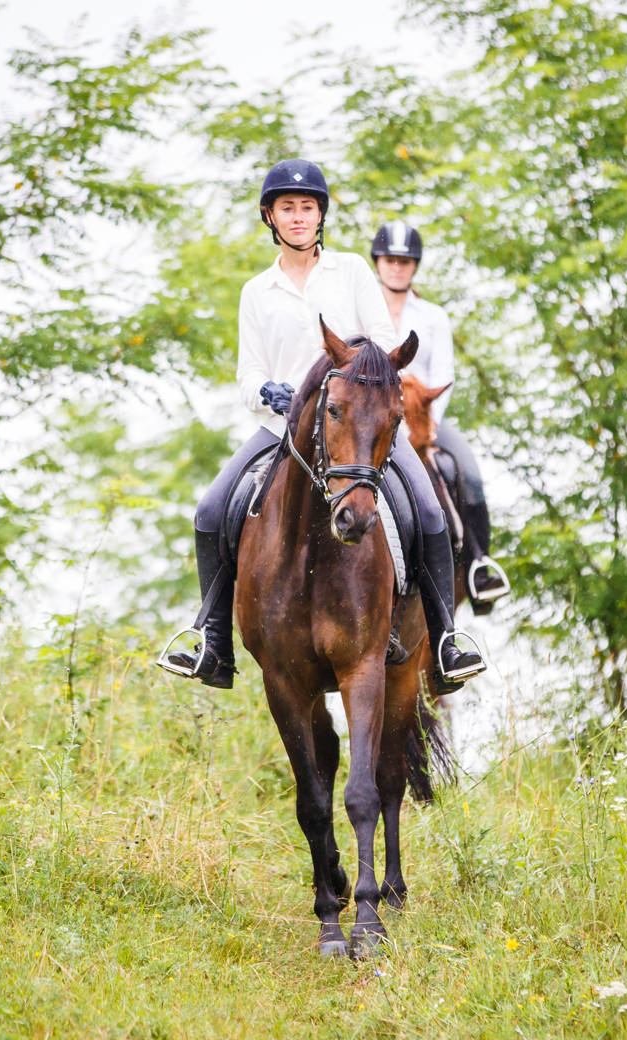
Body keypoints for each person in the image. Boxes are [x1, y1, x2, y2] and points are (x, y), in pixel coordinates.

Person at [157, 159, 486, 693]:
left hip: (355, 425)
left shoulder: (353, 270)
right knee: (211, 508)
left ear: (320, 215)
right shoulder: (255, 292)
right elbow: (249, 372)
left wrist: (353, 379)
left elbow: (380, 340)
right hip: (281, 428)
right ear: (270, 216)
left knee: (427, 508)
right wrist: (266, 392)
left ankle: (446, 639)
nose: (298, 216)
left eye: (307, 207)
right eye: (287, 208)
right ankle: (213, 641)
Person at [370, 221, 511, 611]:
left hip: (423, 418)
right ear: (377, 263)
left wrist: (426, 426)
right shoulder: (363, 310)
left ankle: (479, 566)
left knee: (468, 470)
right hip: (374, 420)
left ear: (414, 266)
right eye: (390, 260)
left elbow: (443, 376)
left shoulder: (433, 316)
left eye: (404, 261)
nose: (397, 267)